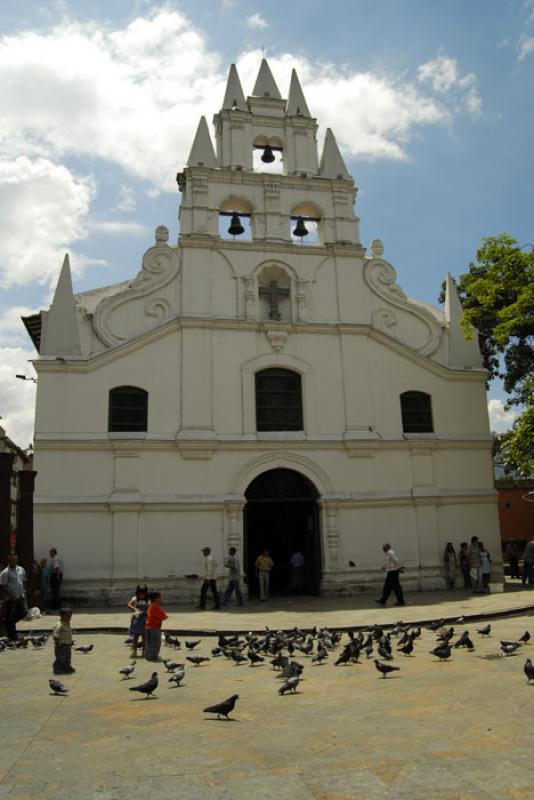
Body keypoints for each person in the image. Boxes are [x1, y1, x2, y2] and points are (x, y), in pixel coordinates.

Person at [0, 554, 27, 640]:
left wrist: (24, 591)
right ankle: (13, 636)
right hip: (10, 598)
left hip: (20, 595)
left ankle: (7, 624)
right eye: (12, 560)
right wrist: (11, 593)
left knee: (23, 612)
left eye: (15, 560)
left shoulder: (21, 569)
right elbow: (3, 586)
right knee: (10, 616)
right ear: (9, 561)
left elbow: (23, 580)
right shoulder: (5, 572)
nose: (14, 562)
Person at [145, 591, 168, 661]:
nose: (161, 599)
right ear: (156, 599)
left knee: (149, 642)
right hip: (154, 627)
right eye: (160, 598)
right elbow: (164, 616)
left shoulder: (150, 606)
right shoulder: (155, 606)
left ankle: (148, 656)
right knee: (156, 643)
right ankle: (153, 656)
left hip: (147, 627)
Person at [127, 584, 148, 657]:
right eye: (140, 594)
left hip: (144, 620)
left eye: (143, 594)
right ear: (137, 593)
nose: (141, 596)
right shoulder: (135, 599)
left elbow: (150, 609)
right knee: (135, 636)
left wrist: (144, 612)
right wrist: (135, 609)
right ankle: (134, 651)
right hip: (136, 620)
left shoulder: (148, 600)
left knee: (144, 636)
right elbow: (129, 605)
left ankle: (144, 651)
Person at [52, 608, 74, 674]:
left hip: (67, 644)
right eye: (68, 616)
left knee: (68, 657)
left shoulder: (67, 623)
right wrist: (58, 641)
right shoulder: (59, 625)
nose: (69, 618)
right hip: (61, 645)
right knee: (61, 658)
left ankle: (67, 667)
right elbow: (55, 634)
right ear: (62, 616)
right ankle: (58, 669)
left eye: (70, 616)